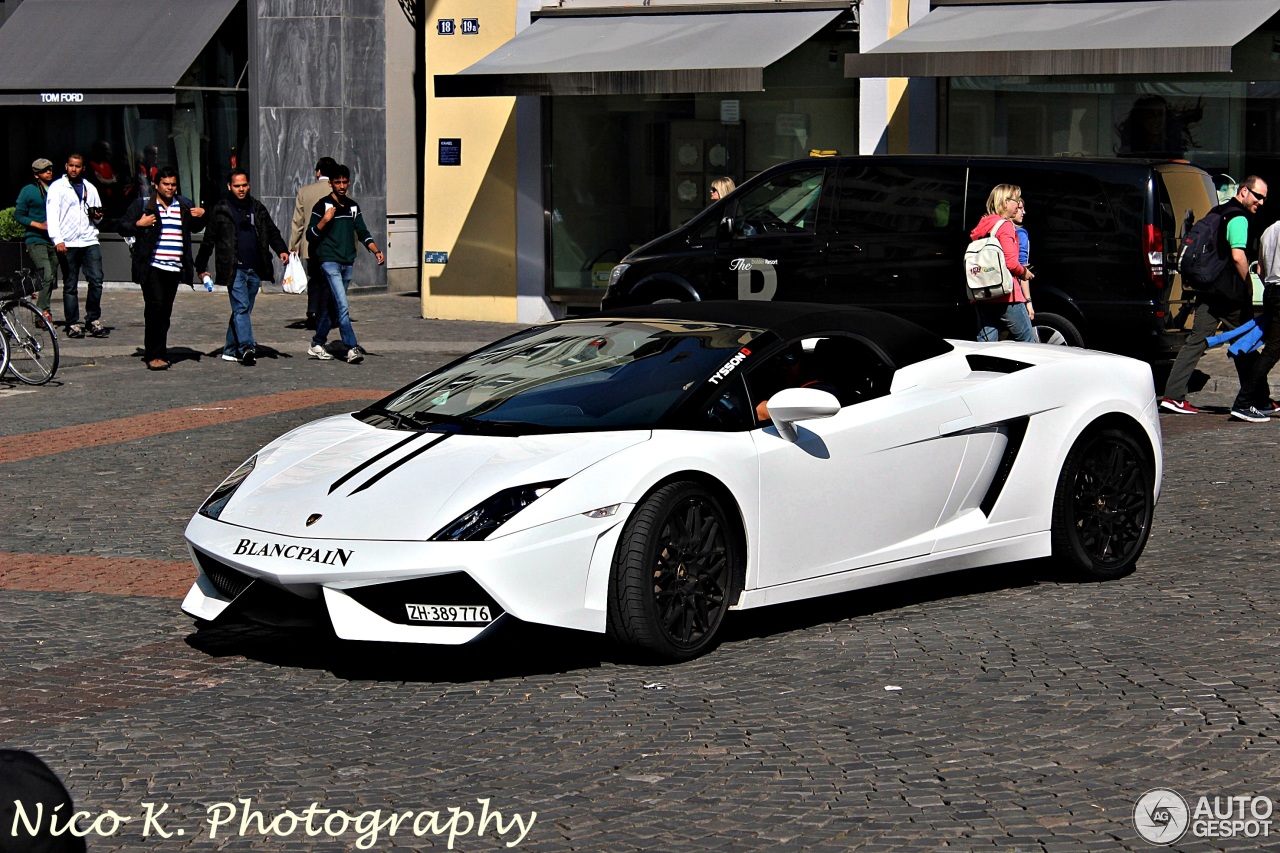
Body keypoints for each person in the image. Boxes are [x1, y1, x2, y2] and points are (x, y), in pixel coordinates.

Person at [1160, 176, 1268, 420]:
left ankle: (1173, 395)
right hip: (1229, 294)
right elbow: (1238, 256)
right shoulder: (1239, 217)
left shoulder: (1218, 210)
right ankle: (1259, 398)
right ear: (1243, 191)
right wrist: (1249, 286)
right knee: (1245, 343)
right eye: (1257, 196)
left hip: (1209, 289)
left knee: (1196, 341)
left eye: (1263, 198)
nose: (1260, 202)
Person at [195, 168, 289, 366]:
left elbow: (272, 231)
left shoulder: (257, 208)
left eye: (244, 185)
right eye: (237, 186)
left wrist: (281, 249)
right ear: (229, 186)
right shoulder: (220, 209)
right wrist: (201, 266)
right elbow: (208, 240)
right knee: (241, 308)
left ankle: (230, 349)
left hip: (255, 267)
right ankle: (247, 347)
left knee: (243, 310)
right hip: (233, 268)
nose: (241, 189)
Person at [117, 167, 205, 370]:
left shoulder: (183, 205)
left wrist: (201, 215)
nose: (170, 188)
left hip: (174, 268)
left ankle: (160, 350)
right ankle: (154, 355)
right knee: (155, 308)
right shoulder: (144, 205)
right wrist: (139, 224)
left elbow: (196, 227)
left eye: (173, 184)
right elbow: (122, 226)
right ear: (156, 185)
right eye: (166, 184)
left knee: (164, 312)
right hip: (152, 266)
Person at [305, 164, 384, 363]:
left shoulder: (352, 207)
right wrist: (325, 220)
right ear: (330, 183)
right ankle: (351, 347)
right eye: (337, 182)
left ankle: (317, 343)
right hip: (329, 262)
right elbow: (311, 235)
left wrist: (376, 251)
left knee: (332, 307)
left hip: (347, 262)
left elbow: (363, 232)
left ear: (349, 183)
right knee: (342, 305)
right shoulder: (322, 205)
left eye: (344, 182)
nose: (341, 186)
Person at [46, 153, 107, 339]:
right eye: (71, 165)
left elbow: (99, 213)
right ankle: (72, 323)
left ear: (83, 168)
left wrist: (98, 216)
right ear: (66, 166)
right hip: (68, 242)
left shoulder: (90, 187)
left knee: (96, 280)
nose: (74, 169)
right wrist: (58, 239)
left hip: (89, 239)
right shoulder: (57, 187)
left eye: (77, 166)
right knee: (70, 284)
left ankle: (92, 319)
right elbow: (52, 214)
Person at [970, 184, 1036, 343]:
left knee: (986, 345)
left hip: (982, 293)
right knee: (1028, 342)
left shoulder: (983, 225)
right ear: (1006, 202)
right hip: (1007, 295)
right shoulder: (1005, 226)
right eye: (1016, 200)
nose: (1019, 204)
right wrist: (1024, 273)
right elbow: (1011, 263)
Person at [290, 156, 339, 330]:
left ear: (318, 172)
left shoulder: (305, 191)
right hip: (334, 244)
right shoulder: (340, 191)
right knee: (330, 279)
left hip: (311, 243)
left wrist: (293, 245)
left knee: (315, 279)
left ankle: (312, 311)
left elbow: (298, 221)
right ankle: (326, 313)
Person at [14, 158, 58, 322]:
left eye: (50, 169)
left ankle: (43, 310)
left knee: (51, 277)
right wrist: (38, 225)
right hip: (35, 239)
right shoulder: (28, 190)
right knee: (46, 274)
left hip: (54, 239)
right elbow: (19, 215)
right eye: (44, 170)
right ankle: (43, 313)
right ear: (36, 175)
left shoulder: (55, 189)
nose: (49, 172)